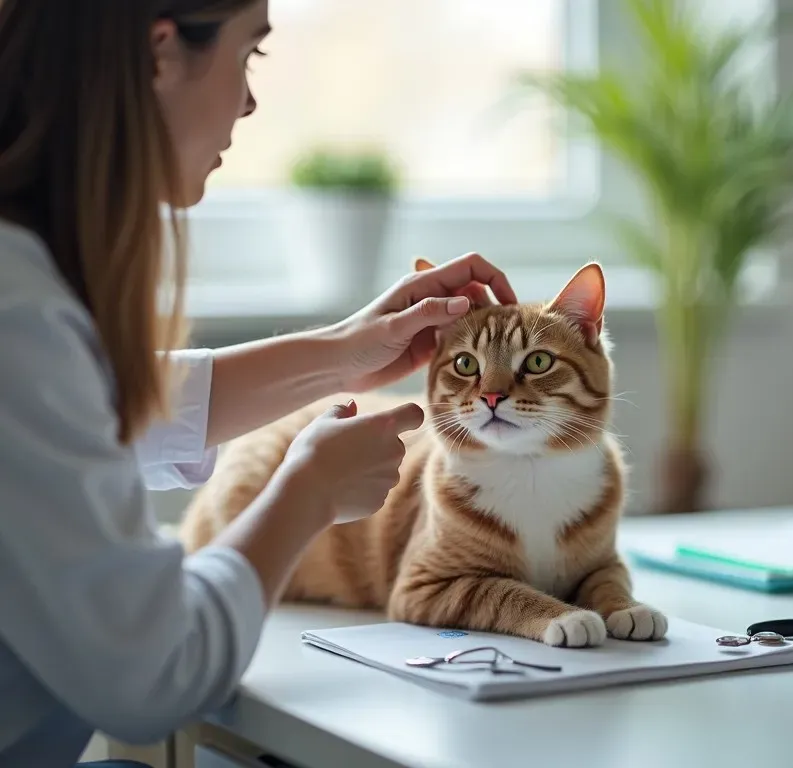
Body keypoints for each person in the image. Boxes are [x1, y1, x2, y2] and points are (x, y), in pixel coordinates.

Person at [0, 1, 519, 766]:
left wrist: (344, 350)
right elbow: (153, 673)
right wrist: (305, 492)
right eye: (251, 54)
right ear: (159, 55)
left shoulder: (24, 281)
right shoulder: (20, 313)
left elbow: (87, 407)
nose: (248, 101)